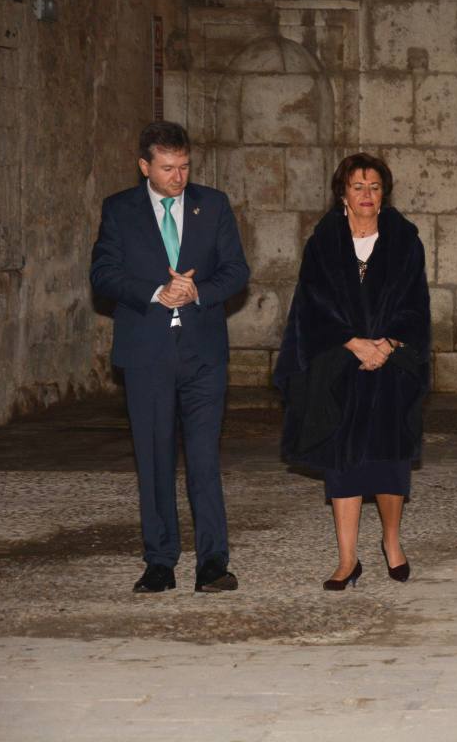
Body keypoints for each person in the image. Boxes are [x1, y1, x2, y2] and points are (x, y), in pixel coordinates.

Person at [90, 121, 250, 594]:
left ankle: (213, 563)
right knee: (155, 458)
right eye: (167, 168)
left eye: (184, 167)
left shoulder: (213, 204)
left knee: (203, 458)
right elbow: (103, 273)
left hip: (203, 354)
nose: (178, 177)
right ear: (145, 167)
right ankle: (159, 561)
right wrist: (156, 292)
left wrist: (198, 290)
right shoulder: (119, 210)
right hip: (146, 353)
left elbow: (237, 270)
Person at [274, 153, 430, 590]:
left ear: (385, 193)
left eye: (375, 187)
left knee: (389, 460)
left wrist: (388, 343)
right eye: (358, 187)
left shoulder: (404, 239)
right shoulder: (323, 242)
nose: (367, 195)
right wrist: (353, 341)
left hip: (391, 364)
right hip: (338, 364)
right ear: (342, 192)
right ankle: (347, 560)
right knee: (342, 463)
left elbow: (416, 304)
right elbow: (311, 305)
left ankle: (392, 544)